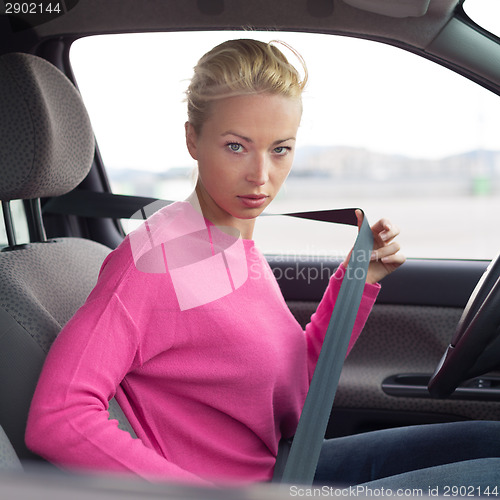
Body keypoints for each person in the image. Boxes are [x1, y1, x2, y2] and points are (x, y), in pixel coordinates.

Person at [24, 39, 500, 489]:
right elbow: (59, 416)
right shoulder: (156, 261)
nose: (261, 176)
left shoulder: (229, 242)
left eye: (280, 149)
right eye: (236, 146)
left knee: (489, 442)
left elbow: (295, 397)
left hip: (286, 468)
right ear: (192, 139)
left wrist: (358, 279)